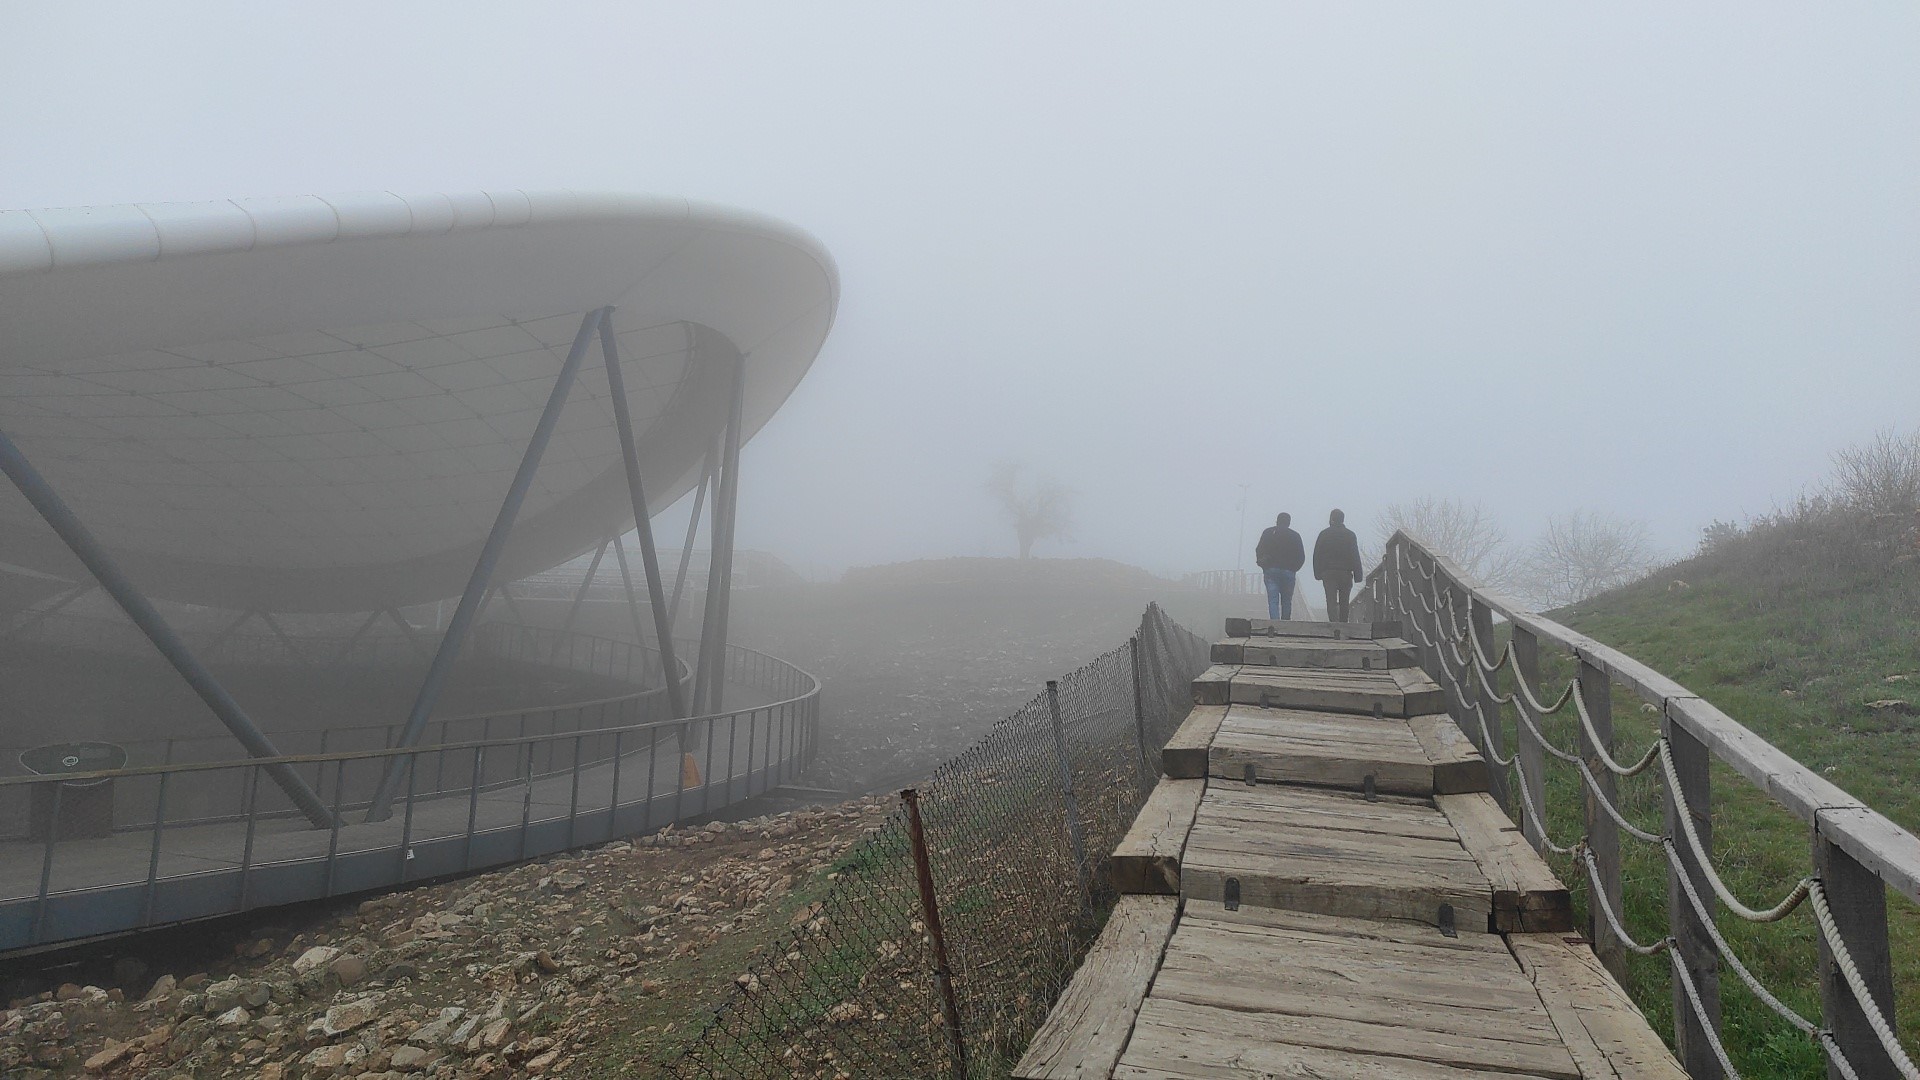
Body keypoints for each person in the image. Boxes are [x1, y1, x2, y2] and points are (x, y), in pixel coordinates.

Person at [1312, 508, 1365, 623]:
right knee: (1344, 601)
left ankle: (1334, 625)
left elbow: (1317, 555)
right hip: (1345, 573)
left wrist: (1317, 573)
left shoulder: (1324, 534)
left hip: (1328, 572)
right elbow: (1355, 555)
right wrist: (1358, 575)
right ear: (1342, 520)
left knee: (1331, 600)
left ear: (1331, 519)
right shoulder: (1350, 535)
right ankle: (1343, 624)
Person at [1253, 512, 1305, 621]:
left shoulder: (1268, 532)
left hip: (1271, 571)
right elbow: (1301, 556)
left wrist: (1264, 566)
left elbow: (1259, 550)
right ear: (1289, 522)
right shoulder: (1295, 536)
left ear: (1277, 521)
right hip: (1289, 572)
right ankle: (1285, 624)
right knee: (1286, 600)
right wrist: (1294, 569)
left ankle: (1275, 625)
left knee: (1273, 600)